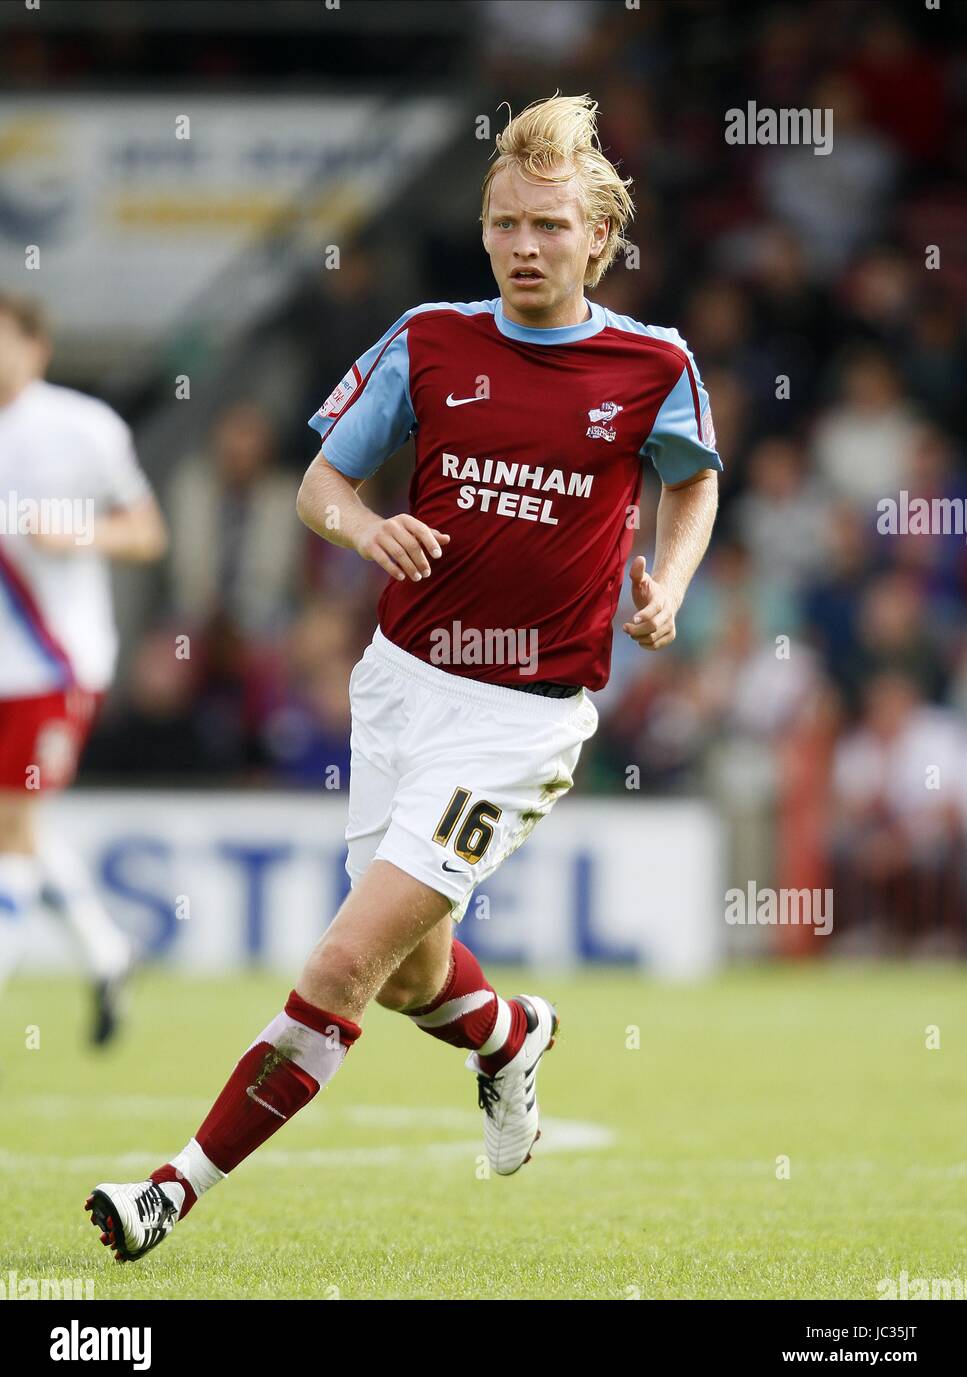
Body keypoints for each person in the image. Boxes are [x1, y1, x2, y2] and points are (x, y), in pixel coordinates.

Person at [86, 93, 721, 1262]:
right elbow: (318, 484)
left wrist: (669, 583)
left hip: (519, 722)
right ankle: (509, 1035)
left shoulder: (650, 364)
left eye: (548, 226)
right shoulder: (429, 339)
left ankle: (170, 1189)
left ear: (598, 239)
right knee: (408, 972)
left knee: (340, 958)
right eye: (503, 224)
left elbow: (692, 479)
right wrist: (364, 527)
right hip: (397, 688)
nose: (523, 247)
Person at [0, 293, 168, 1044]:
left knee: (14, 822)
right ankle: (106, 953)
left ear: (38, 349)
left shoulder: (82, 428)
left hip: (53, 661)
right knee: (17, 828)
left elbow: (146, 531)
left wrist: (69, 531)